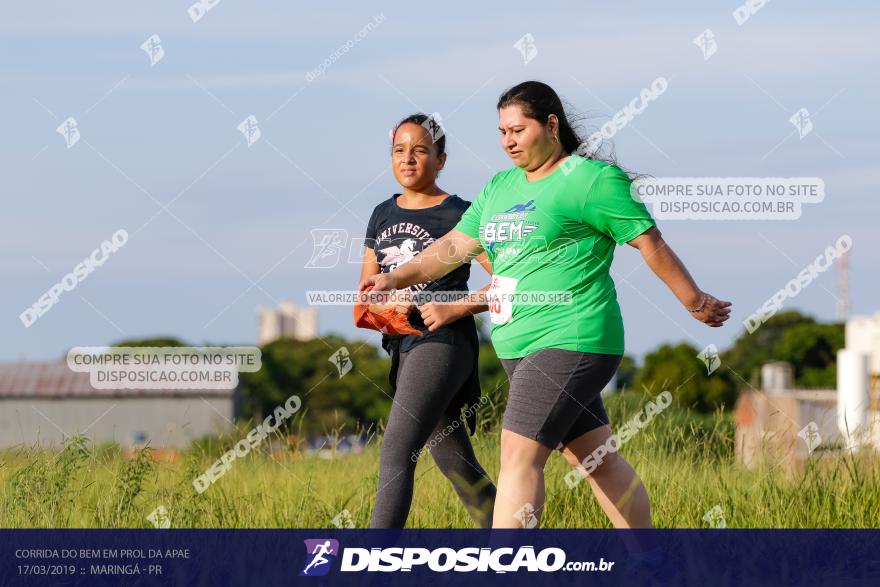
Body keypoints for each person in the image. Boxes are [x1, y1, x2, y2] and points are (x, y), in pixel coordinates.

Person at [359, 82, 732, 529]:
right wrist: (394, 277)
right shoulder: (500, 186)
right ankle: (652, 564)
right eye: (501, 132)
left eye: (518, 129)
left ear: (551, 125)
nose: (508, 141)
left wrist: (694, 301)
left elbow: (649, 243)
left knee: (517, 456)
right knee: (597, 460)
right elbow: (455, 245)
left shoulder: (592, 180)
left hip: (571, 336)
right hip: (519, 344)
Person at [360, 113, 497, 528]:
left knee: (397, 449)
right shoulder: (381, 213)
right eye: (399, 151)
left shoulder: (462, 212)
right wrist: (381, 307)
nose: (408, 159)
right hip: (403, 346)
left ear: (441, 159)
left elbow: (510, 281)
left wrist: (461, 307)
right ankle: (517, 543)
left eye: (420, 151)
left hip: (443, 342)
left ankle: (373, 565)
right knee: (456, 463)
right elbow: (366, 292)